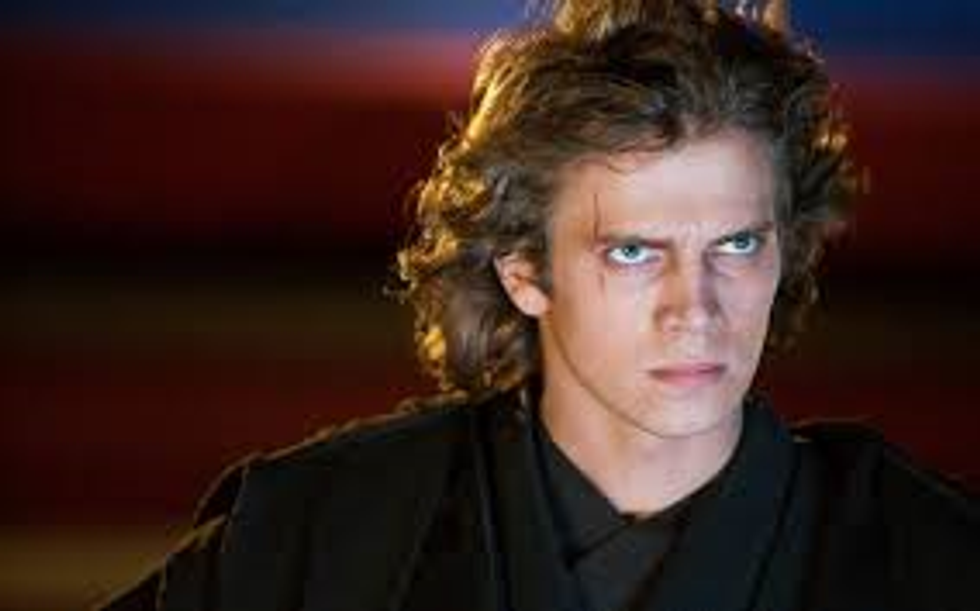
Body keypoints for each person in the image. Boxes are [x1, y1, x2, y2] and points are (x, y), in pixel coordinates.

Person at [101, 1, 978, 610]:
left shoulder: (929, 553)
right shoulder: (322, 529)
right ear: (523, 269)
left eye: (738, 244)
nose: (695, 307)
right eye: (633, 251)